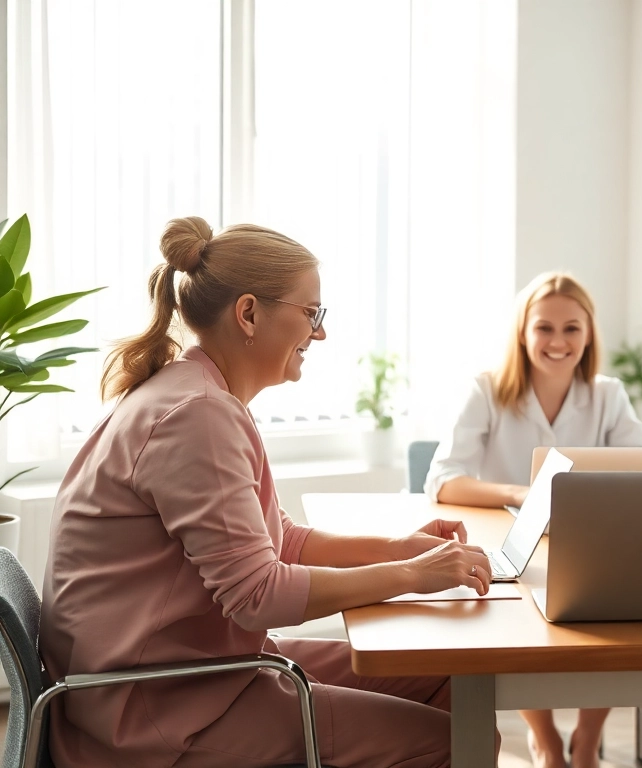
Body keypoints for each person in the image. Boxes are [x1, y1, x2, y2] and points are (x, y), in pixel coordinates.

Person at [41, 217, 493, 768]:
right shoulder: (197, 417)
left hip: (185, 680)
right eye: (311, 313)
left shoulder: (199, 396)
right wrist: (412, 578)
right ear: (249, 312)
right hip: (154, 714)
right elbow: (258, 595)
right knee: (460, 742)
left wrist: (403, 550)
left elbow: (281, 542)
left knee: (450, 680)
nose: (319, 333)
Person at [426, 271, 642, 768]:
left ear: (588, 334)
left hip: (589, 546)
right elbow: (442, 481)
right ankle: (546, 739)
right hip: (509, 545)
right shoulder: (487, 390)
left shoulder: (608, 395)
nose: (558, 341)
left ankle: (587, 741)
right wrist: (524, 494)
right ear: (523, 332)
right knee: (517, 624)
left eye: (572, 328)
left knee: (623, 616)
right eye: (544, 328)